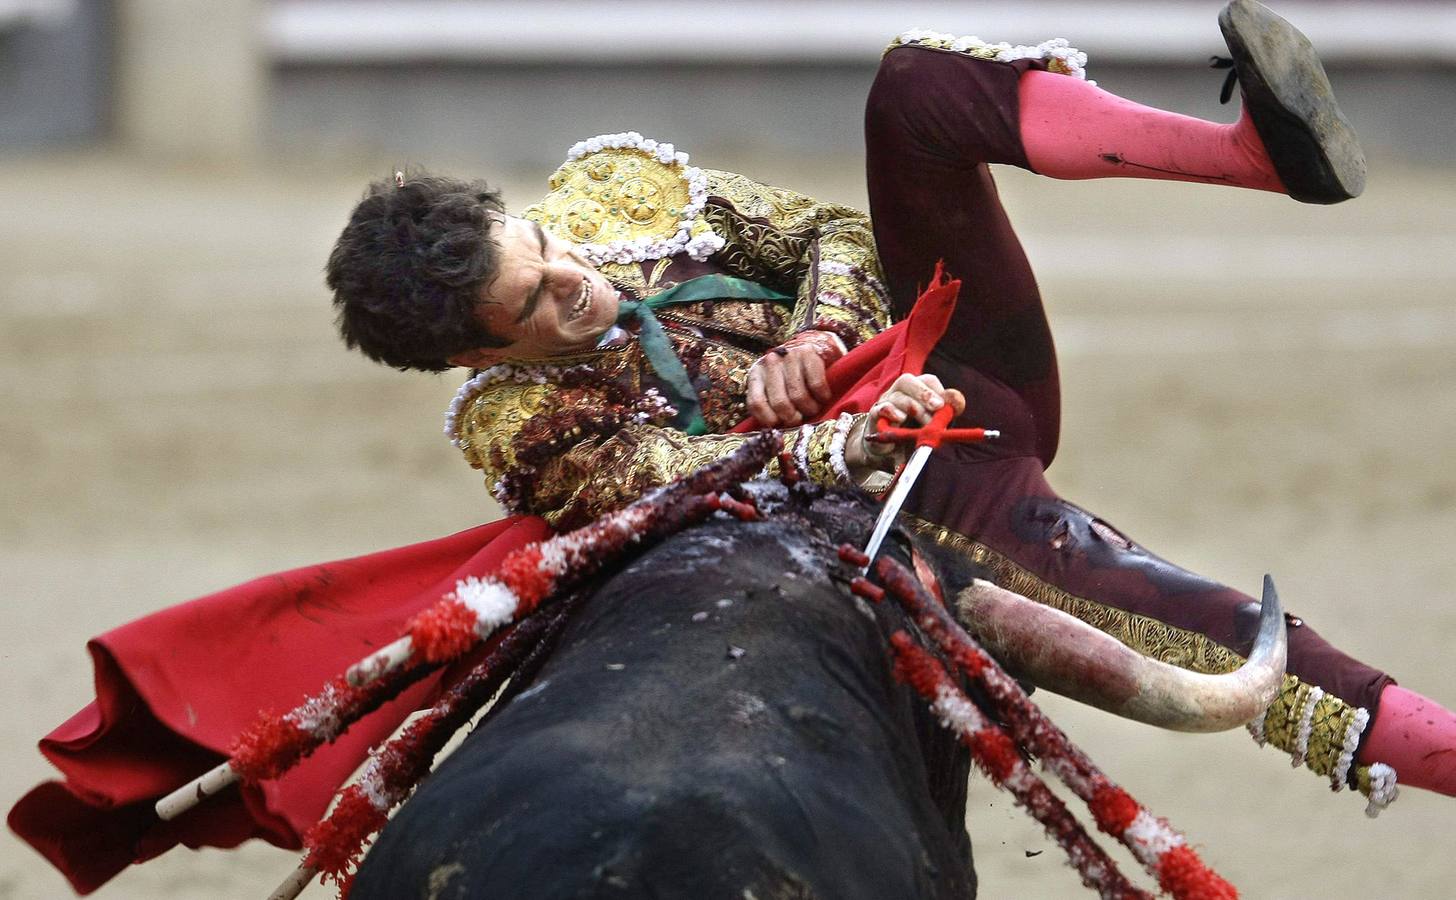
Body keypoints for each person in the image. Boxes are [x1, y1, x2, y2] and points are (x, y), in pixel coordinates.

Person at [11, 1, 1453, 893]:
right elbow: (700, 495)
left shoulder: (612, 183)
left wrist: (824, 338)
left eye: (548, 247)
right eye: (536, 304)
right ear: (472, 357)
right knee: (1212, 638)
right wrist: (834, 430)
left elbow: (823, 228)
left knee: (914, 87)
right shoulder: (522, 427)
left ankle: (1258, 156)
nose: (577, 276)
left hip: (948, 364)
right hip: (915, 500)